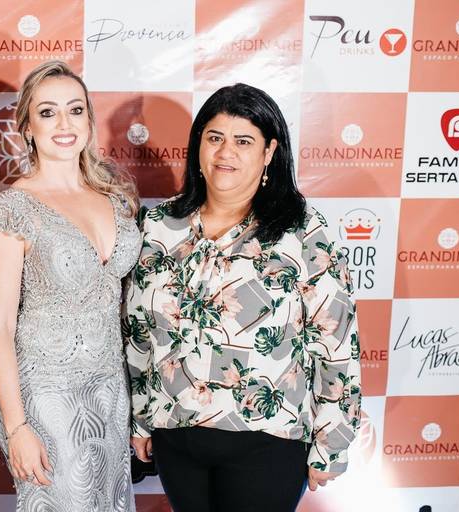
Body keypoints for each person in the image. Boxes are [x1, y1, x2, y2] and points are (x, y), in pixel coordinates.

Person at [124, 83, 361, 512]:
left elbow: (336, 342)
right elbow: (139, 330)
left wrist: (332, 444)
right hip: (176, 437)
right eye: (214, 138)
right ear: (198, 145)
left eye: (244, 141)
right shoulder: (158, 224)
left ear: (269, 152)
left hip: (268, 443)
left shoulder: (303, 231)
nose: (225, 152)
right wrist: (141, 418)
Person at [0, 60, 141, 511]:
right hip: (44, 396)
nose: (64, 123)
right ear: (27, 128)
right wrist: (17, 427)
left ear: (89, 119)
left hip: (109, 390)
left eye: (75, 109)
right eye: (48, 112)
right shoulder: (10, 211)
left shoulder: (116, 201)